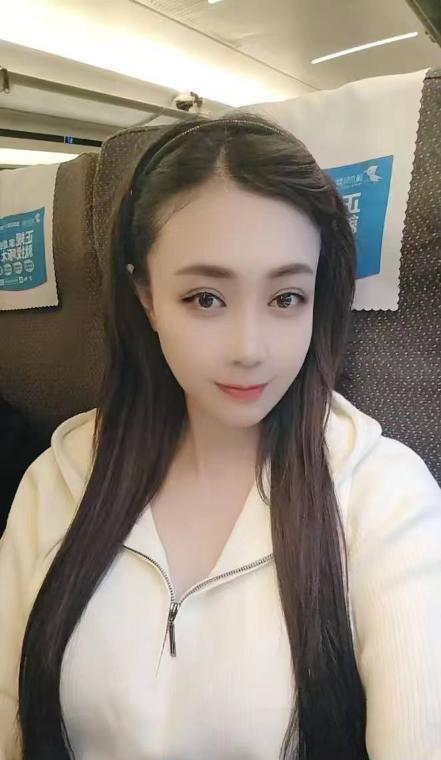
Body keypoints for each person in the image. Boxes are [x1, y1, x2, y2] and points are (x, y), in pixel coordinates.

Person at [0, 110, 440, 760]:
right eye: (206, 298)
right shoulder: (57, 481)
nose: (249, 349)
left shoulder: (385, 497)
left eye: (285, 298)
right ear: (145, 297)